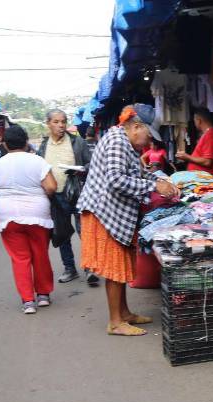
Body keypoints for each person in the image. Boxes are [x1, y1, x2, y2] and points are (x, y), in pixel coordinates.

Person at [77, 104, 179, 336]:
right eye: (148, 135)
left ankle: (123, 313)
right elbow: (116, 180)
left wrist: (162, 181)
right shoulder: (116, 141)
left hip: (112, 213)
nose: (149, 142)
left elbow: (138, 174)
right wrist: (155, 185)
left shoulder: (125, 143)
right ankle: (115, 322)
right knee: (113, 268)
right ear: (135, 127)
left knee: (119, 265)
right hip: (103, 213)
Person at [0, 125, 56, 315]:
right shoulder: (37, 161)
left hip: (8, 214)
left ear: (5, 144)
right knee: (40, 254)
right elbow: (51, 187)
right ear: (26, 142)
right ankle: (43, 295)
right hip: (37, 214)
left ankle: (28, 301)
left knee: (20, 258)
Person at [37, 109, 98, 286]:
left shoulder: (76, 141)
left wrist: (80, 169)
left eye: (63, 121)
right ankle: (69, 268)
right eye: (56, 122)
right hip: (55, 197)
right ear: (48, 123)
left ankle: (90, 269)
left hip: (78, 193)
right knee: (62, 234)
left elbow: (91, 163)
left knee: (84, 232)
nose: (61, 125)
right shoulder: (43, 146)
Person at [175, 107, 213, 179]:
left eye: (194, 121)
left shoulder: (210, 135)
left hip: (205, 180)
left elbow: (207, 161)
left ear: (199, 120)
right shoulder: (207, 134)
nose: (194, 123)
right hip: (200, 178)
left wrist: (187, 157)